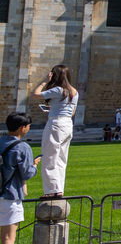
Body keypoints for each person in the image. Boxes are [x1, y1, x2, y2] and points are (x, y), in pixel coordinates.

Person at [1, 113, 40, 244]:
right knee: (8, 239)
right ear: (22, 128)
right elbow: (26, 173)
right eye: (28, 126)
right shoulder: (23, 147)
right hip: (10, 195)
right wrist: (35, 166)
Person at [33, 65, 78, 199]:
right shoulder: (74, 91)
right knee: (61, 159)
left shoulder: (58, 90)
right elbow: (73, 111)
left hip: (56, 123)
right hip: (68, 124)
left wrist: (44, 81)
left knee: (49, 157)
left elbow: (35, 95)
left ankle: (51, 191)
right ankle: (59, 189)